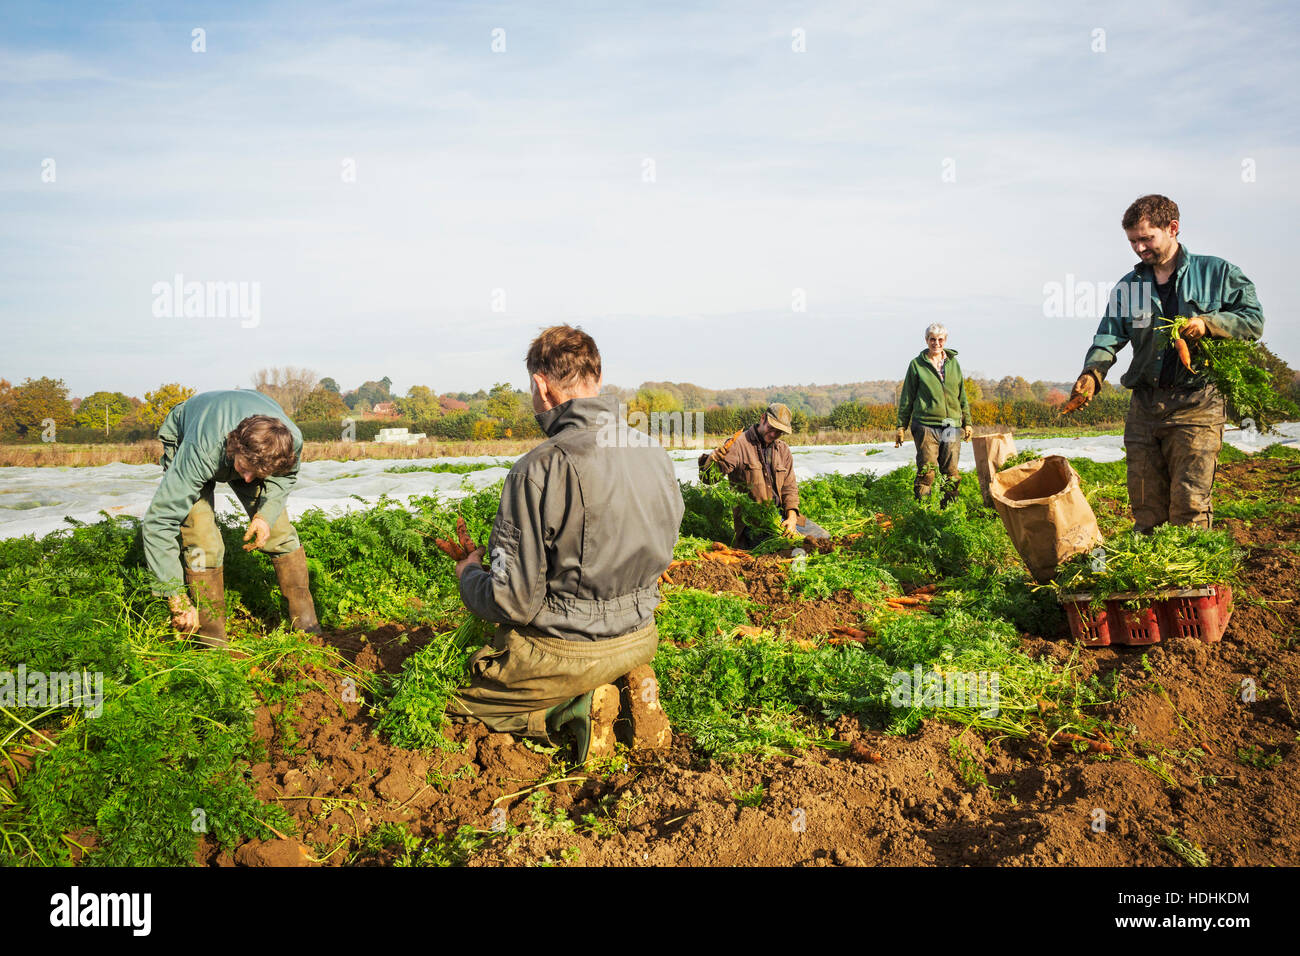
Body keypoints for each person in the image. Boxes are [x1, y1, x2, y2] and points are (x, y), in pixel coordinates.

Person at [444, 325, 683, 760]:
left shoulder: (536, 470)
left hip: (566, 651)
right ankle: (629, 682)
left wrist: (469, 575)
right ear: (596, 377)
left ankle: (572, 710)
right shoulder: (654, 452)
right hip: (640, 635)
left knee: (458, 699)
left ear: (541, 385)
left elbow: (511, 601)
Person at [1066, 194, 1264, 532]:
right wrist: (1092, 374)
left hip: (1197, 402)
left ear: (1172, 228)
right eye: (1133, 241)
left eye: (1146, 238)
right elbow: (1108, 336)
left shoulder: (1217, 273)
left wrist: (1208, 324)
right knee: (1146, 506)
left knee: (1189, 503)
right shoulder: (1130, 287)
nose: (1140, 248)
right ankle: (1152, 580)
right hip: (1145, 406)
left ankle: (1194, 575)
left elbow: (1253, 320)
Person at [142, 390, 319, 651]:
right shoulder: (200, 452)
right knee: (203, 541)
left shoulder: (289, 442)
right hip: (191, 436)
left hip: (247, 446)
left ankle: (307, 629)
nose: (247, 481)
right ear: (235, 448)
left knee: (280, 533)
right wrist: (174, 596)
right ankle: (213, 645)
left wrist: (264, 517)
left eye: (257, 474)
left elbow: (284, 478)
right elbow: (159, 522)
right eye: (245, 469)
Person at [698, 402, 829, 548]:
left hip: (783, 517)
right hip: (754, 524)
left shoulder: (783, 450)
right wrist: (711, 460)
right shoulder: (738, 445)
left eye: (779, 432)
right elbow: (708, 479)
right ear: (762, 419)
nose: (773, 434)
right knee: (786, 547)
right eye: (771, 428)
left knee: (824, 539)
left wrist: (792, 518)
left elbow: (789, 489)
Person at [894, 324, 972, 506]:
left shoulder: (953, 364)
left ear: (945, 340)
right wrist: (901, 426)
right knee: (927, 471)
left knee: (951, 472)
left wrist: (967, 422)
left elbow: (961, 394)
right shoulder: (917, 365)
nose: (936, 343)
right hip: (926, 425)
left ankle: (949, 512)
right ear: (926, 340)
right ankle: (924, 512)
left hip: (950, 425)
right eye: (932, 339)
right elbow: (907, 397)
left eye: (940, 339)